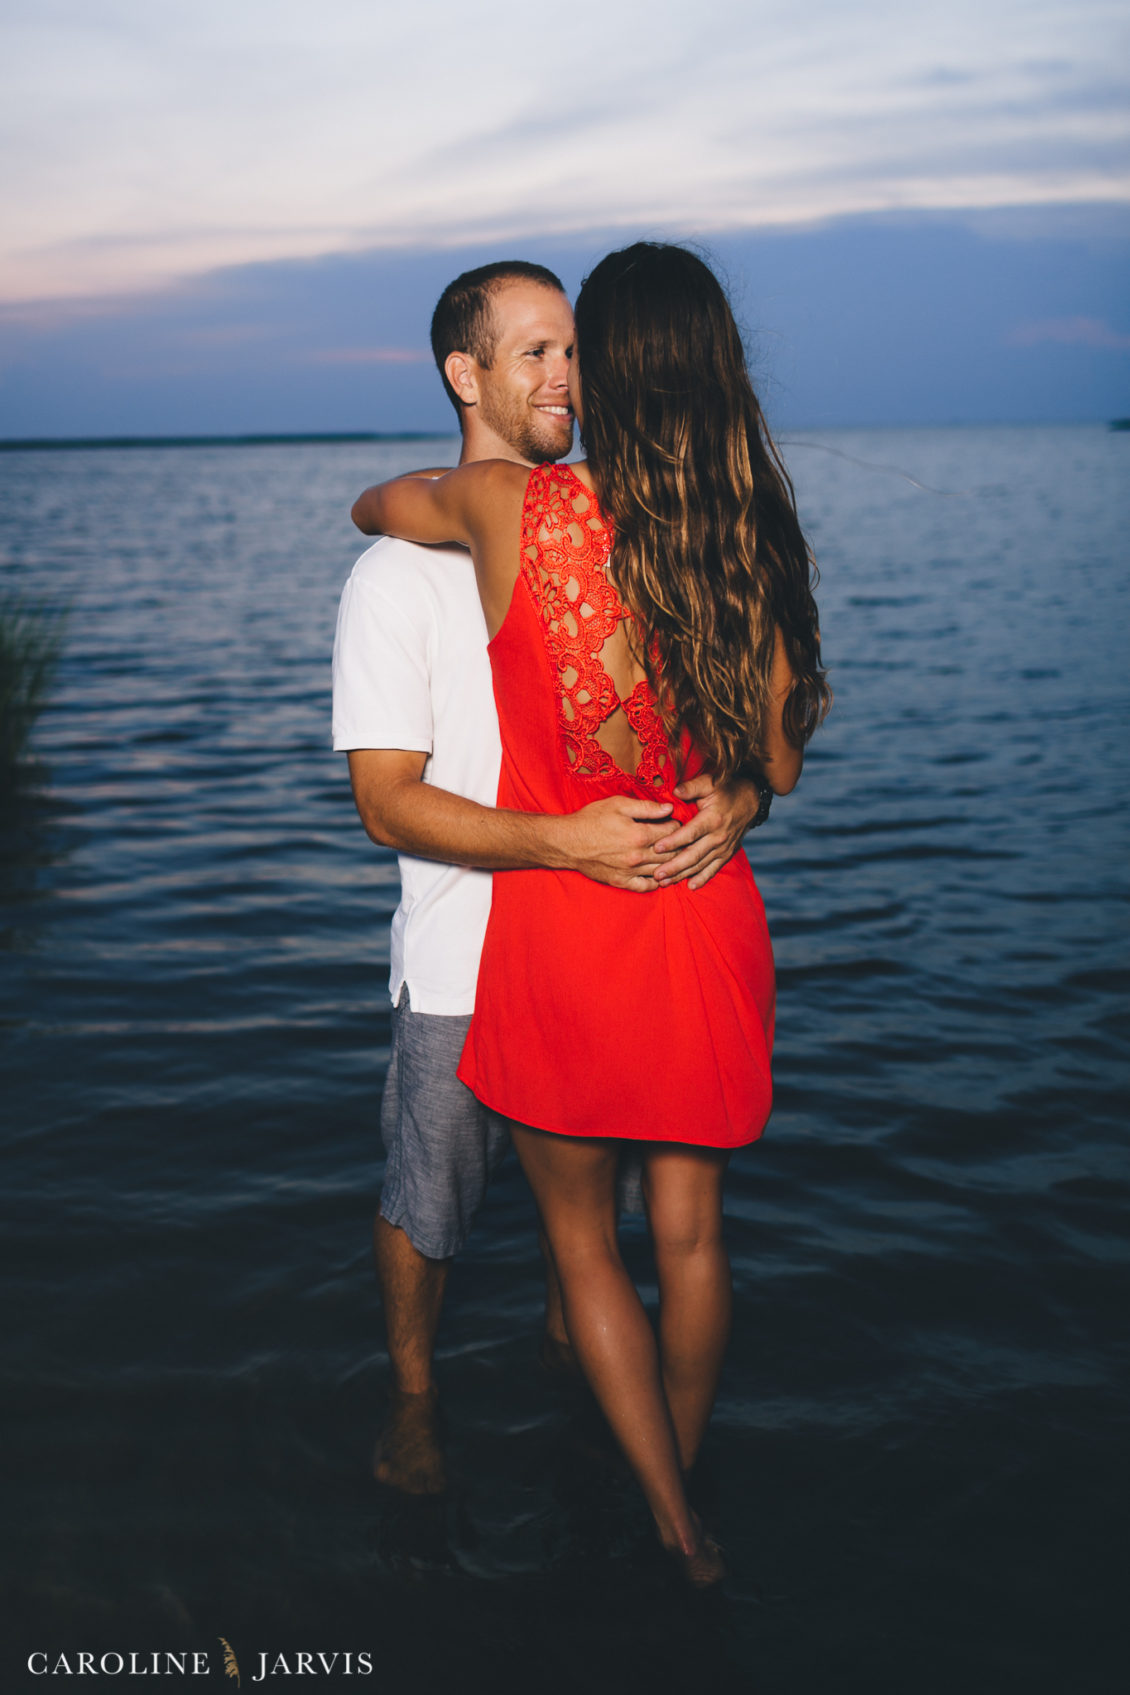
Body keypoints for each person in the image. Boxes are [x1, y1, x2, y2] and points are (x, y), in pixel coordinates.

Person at [350, 242, 830, 1583]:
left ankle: (664, 1516)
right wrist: (731, 792)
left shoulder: (509, 508)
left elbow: (373, 504)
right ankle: (680, 1492)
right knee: (690, 1236)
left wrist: (414, 497)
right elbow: (780, 765)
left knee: (580, 1244)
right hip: (701, 902)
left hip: (567, 911)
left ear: (606, 365)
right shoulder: (748, 532)